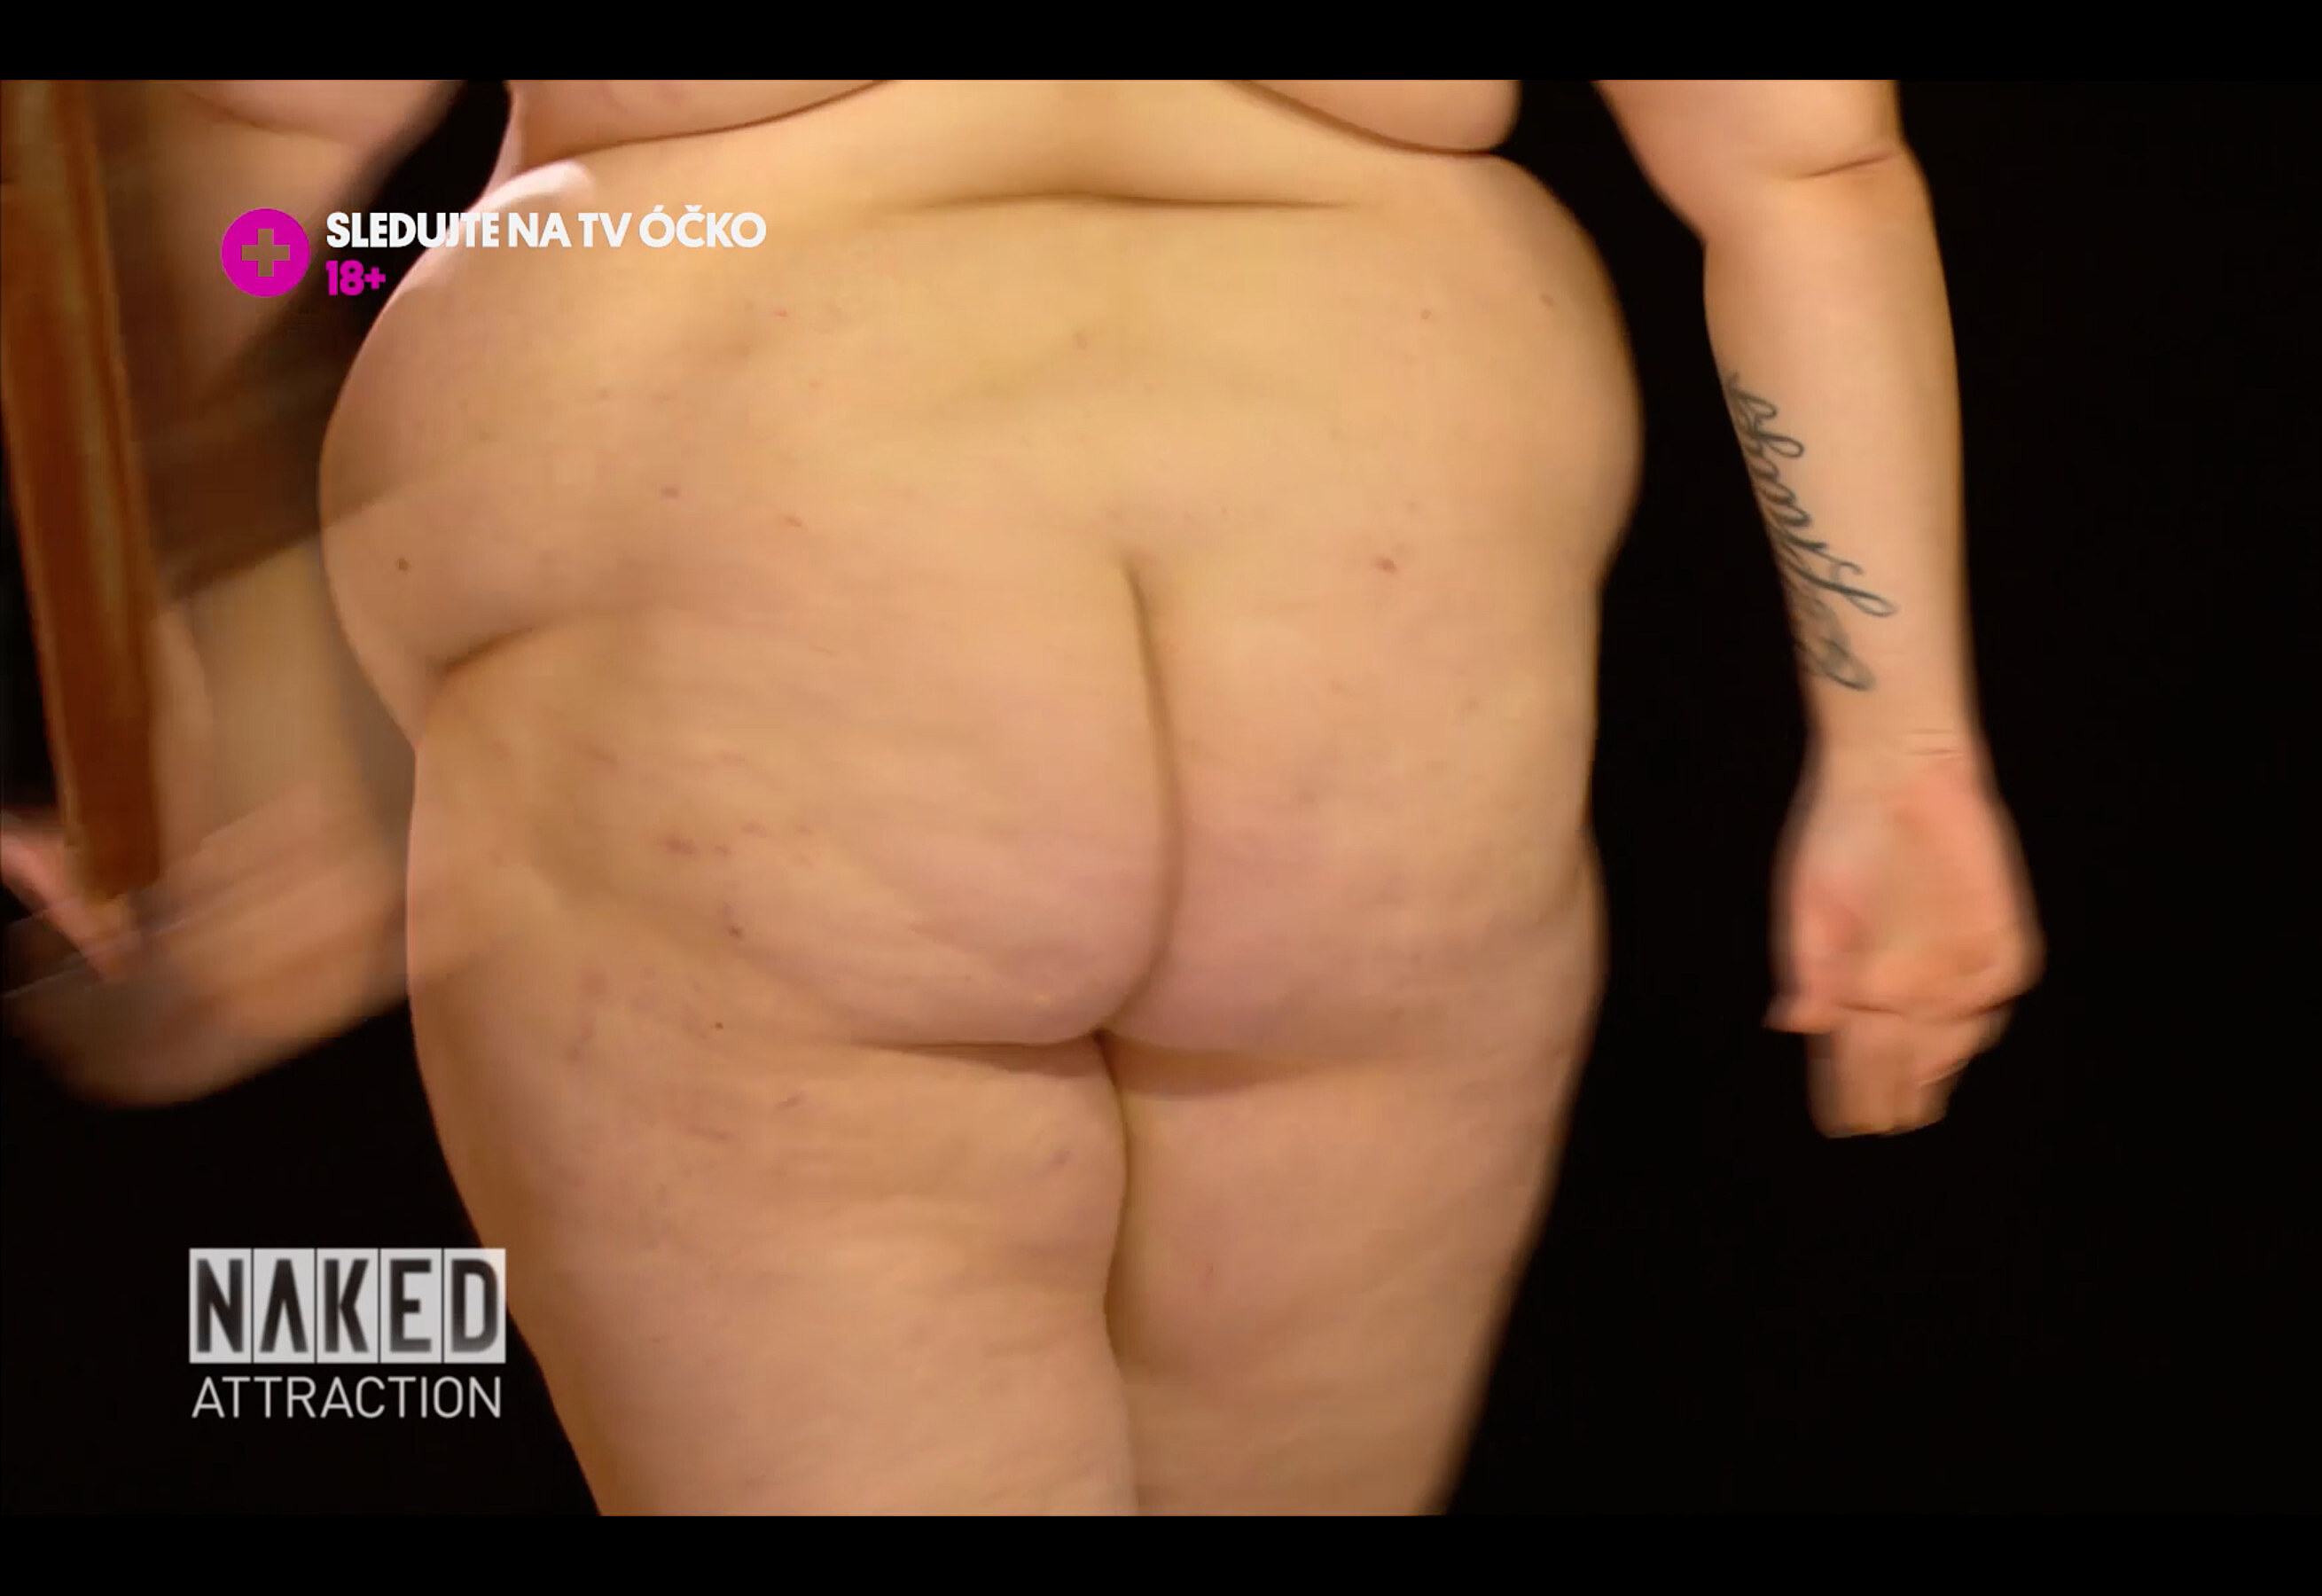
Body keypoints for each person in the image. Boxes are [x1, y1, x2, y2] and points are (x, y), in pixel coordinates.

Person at [1, 80, 2041, 1514]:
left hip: (762, 684)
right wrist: (1905, 753)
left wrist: (232, 673)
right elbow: (1805, 168)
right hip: (1382, 693)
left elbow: (252, 168)